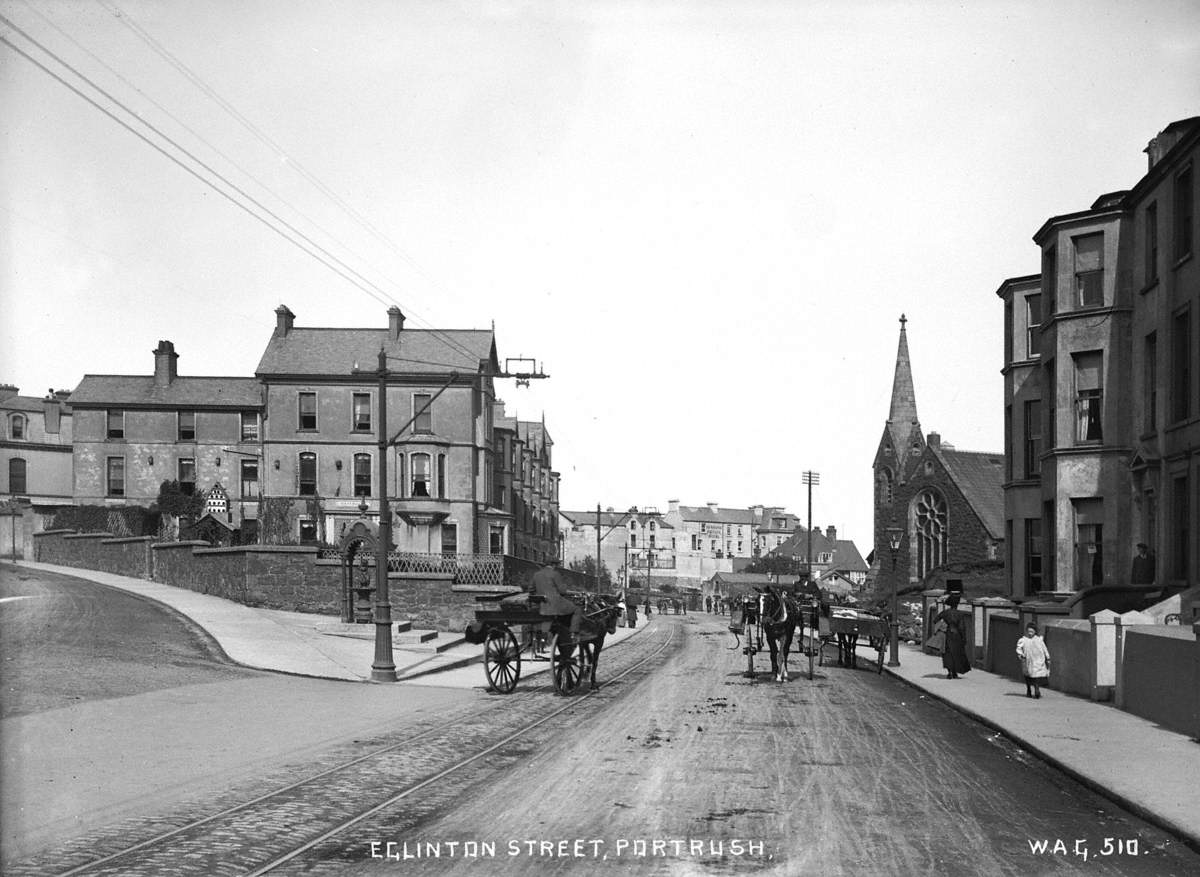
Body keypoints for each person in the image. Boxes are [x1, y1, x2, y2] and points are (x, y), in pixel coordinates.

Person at [531, 564, 584, 637]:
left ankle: (545, 633)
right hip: (555, 604)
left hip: (542, 605)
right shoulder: (555, 574)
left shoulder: (536, 575)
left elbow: (531, 589)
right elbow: (562, 591)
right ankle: (573, 633)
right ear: (553, 565)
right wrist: (564, 587)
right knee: (577, 609)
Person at [932, 594, 971, 679]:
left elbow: (935, 620)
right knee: (956, 653)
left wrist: (942, 626)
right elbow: (962, 627)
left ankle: (949, 672)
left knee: (947, 653)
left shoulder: (945, 612)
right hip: (956, 635)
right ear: (956, 604)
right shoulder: (959, 614)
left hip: (946, 634)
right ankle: (954, 672)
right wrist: (964, 638)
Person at [1016, 623, 1050, 698]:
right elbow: (1019, 648)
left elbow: (1044, 649)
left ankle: (1036, 689)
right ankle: (1028, 689)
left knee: (1036, 675)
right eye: (1028, 631)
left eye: (1031, 631)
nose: (1030, 633)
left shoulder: (1039, 640)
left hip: (1037, 660)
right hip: (1027, 660)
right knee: (1027, 675)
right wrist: (1020, 654)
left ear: (1035, 632)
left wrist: (1047, 657)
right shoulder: (1023, 640)